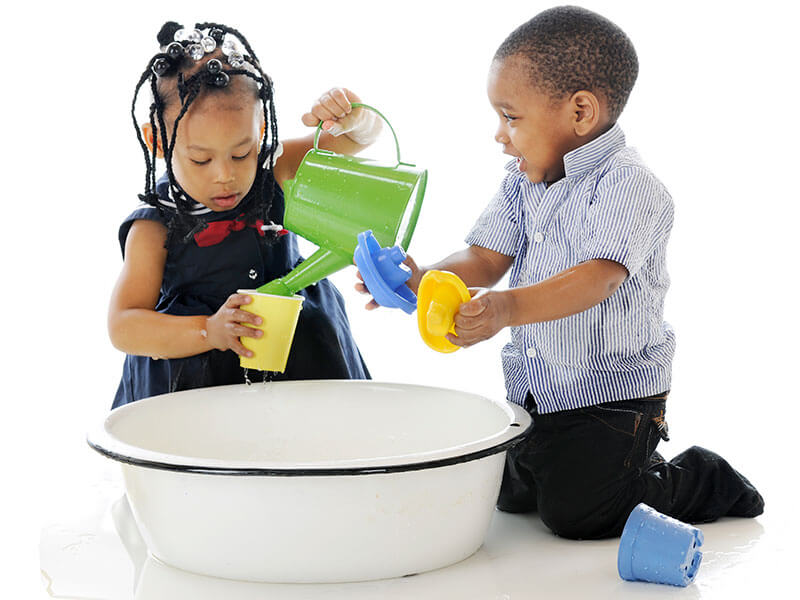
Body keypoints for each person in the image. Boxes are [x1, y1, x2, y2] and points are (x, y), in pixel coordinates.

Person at [358, 6, 764, 539]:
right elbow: (484, 258)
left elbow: (598, 277)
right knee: (503, 493)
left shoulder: (629, 186)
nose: (500, 135)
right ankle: (547, 464)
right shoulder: (522, 182)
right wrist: (421, 276)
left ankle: (699, 478)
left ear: (579, 112)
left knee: (577, 514)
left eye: (511, 116)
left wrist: (506, 308)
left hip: (612, 402)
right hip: (534, 394)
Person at [110, 21, 381, 408]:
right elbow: (123, 325)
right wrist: (208, 331)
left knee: (316, 450)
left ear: (262, 128)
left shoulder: (276, 167)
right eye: (200, 159)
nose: (226, 176)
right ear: (157, 141)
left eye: (241, 153)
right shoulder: (154, 225)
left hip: (302, 354)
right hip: (196, 382)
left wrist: (353, 114)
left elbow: (356, 141)